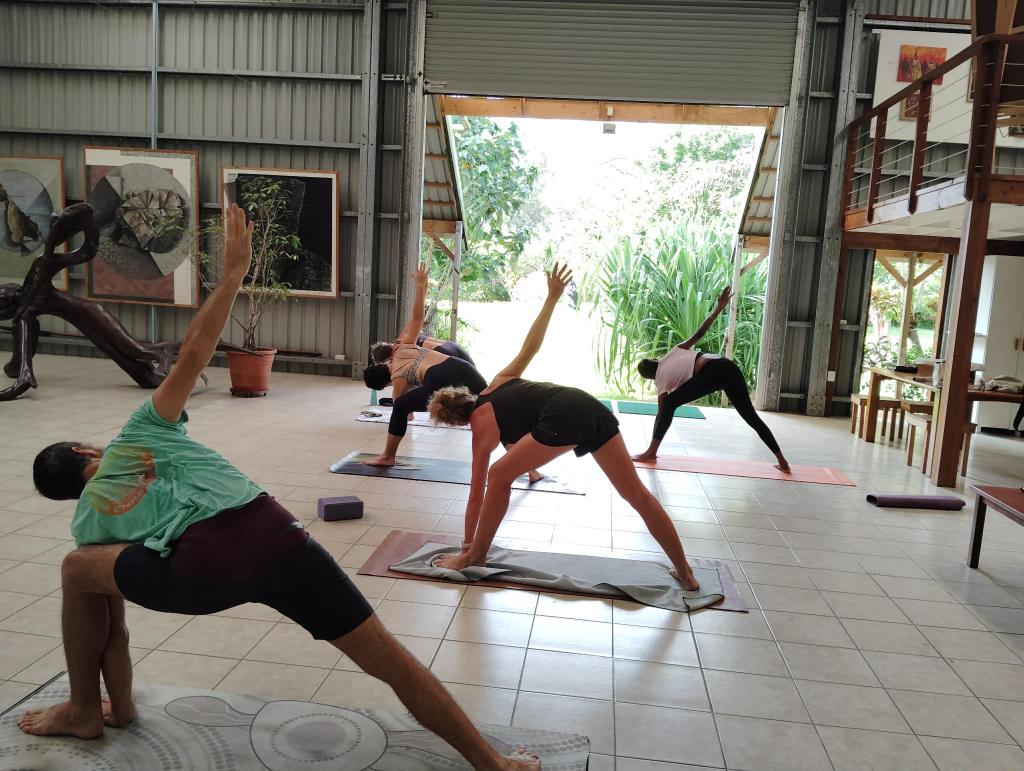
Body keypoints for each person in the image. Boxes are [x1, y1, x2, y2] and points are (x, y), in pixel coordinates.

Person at [17, 205, 540, 771]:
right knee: (389, 660)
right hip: (278, 533)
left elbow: (113, 633)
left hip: (202, 571)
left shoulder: (90, 525)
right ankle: (493, 763)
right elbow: (194, 352)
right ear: (84, 451)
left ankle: (91, 709)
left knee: (80, 572)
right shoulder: (140, 431)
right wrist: (233, 277)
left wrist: (116, 704)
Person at [426, 263, 701, 591]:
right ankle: (685, 572)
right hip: (588, 405)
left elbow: (476, 495)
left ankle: (475, 556)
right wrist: (552, 298)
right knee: (637, 494)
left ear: (456, 421)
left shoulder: (479, 425)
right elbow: (530, 347)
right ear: (466, 394)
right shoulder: (498, 382)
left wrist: (466, 547)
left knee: (498, 475)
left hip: (562, 413)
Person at [630, 286, 790, 473]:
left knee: (669, 403)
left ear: (650, 377)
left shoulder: (660, 379)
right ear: (655, 360)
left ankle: (651, 452)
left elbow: (662, 412)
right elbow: (699, 334)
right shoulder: (673, 352)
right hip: (728, 367)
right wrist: (719, 308)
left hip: (714, 372)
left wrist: (652, 443)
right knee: (751, 417)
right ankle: (782, 461)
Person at [361, 263, 488, 467]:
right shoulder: (403, 346)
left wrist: (401, 404)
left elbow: (402, 410)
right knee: (490, 405)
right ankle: (530, 469)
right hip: (463, 366)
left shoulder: (397, 379)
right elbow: (418, 318)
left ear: (385, 381)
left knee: (400, 406)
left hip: (439, 377)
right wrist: (421, 287)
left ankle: (387, 456)